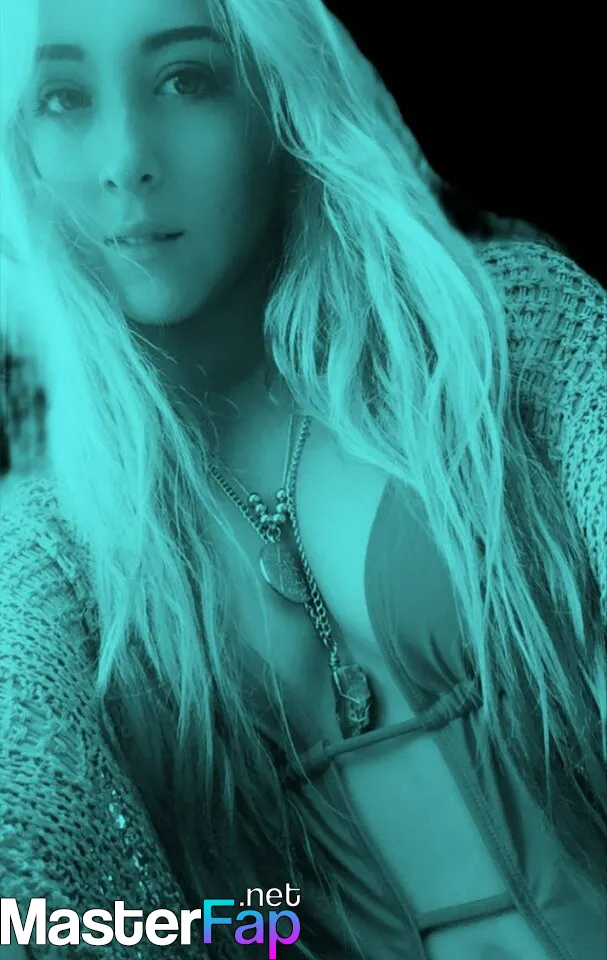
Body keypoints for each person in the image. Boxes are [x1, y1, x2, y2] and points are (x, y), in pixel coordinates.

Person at [0, 1, 604, 958]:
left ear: (276, 94)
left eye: (186, 79)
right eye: (64, 97)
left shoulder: (499, 338)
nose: (126, 160)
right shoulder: (53, 553)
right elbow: (28, 861)